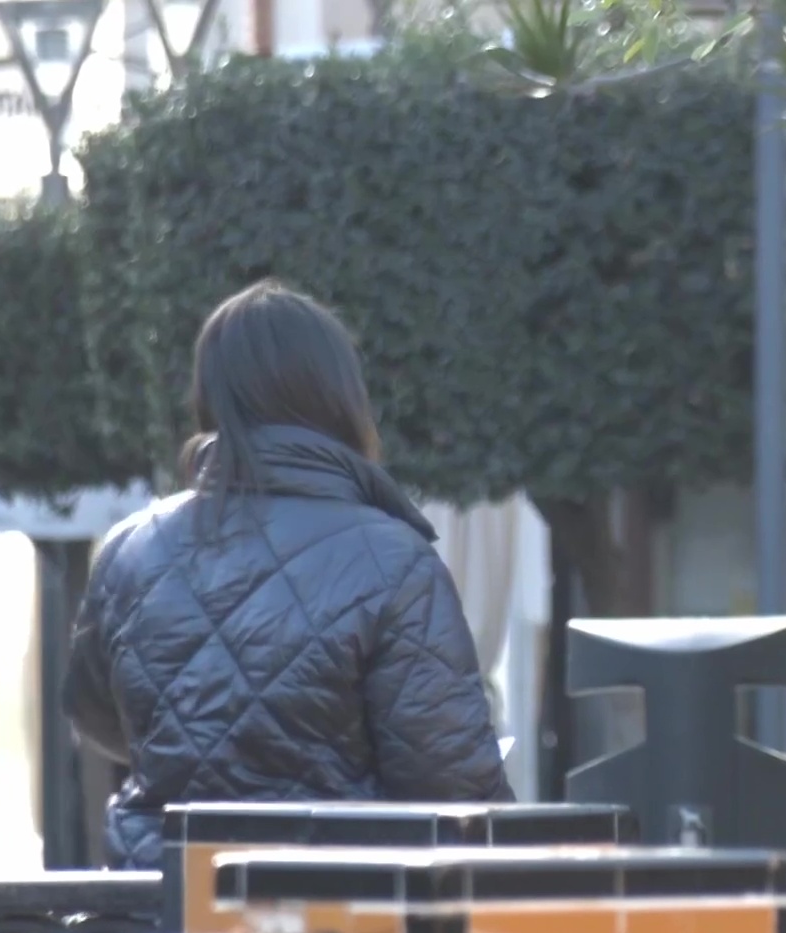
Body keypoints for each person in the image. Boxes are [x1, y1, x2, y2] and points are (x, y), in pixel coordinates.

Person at [61, 280, 515, 871]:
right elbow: (455, 786)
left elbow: (96, 716)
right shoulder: (393, 561)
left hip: (164, 907)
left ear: (210, 396)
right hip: (342, 916)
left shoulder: (129, 551)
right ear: (342, 397)